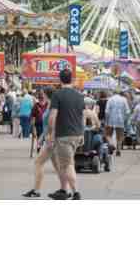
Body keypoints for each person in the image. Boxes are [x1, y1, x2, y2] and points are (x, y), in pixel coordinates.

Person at [47, 68, 85, 200]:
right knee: (66, 163)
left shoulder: (57, 95)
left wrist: (51, 133)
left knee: (67, 164)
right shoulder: (80, 96)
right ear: (72, 79)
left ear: (60, 79)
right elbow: (83, 116)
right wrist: (82, 134)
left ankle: (76, 192)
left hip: (63, 135)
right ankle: (63, 190)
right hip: (76, 134)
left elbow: (52, 116)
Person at [23, 87, 59, 198]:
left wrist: (49, 137)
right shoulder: (50, 105)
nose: (40, 95)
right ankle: (68, 189)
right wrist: (41, 137)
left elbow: (53, 123)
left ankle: (36, 190)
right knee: (58, 167)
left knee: (38, 163)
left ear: (47, 94)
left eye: (42, 93)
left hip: (51, 139)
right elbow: (47, 124)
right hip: (49, 137)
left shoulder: (52, 105)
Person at [105, 90, 130, 156]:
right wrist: (125, 120)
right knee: (120, 136)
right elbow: (128, 111)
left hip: (110, 120)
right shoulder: (124, 99)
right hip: (120, 121)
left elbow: (107, 111)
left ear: (113, 93)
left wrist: (106, 121)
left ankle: (111, 144)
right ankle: (118, 150)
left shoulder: (110, 99)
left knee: (108, 135)